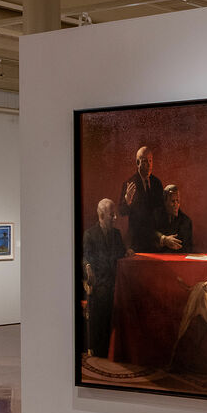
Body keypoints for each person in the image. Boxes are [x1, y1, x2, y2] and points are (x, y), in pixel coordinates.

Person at [81, 197, 126, 359]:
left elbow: (122, 253)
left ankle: (114, 348)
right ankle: (99, 350)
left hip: (115, 283)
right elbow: (85, 257)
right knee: (102, 296)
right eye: (111, 215)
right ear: (101, 216)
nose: (115, 218)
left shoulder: (117, 234)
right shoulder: (90, 235)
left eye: (115, 214)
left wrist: (128, 252)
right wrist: (87, 267)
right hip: (99, 284)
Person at [119, 146, 165, 253]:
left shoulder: (157, 183)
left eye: (150, 161)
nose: (149, 165)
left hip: (154, 241)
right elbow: (121, 211)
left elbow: (161, 210)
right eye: (145, 161)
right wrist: (127, 200)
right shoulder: (130, 183)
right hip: (137, 241)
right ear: (137, 163)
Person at [157, 183, 194, 253]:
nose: (176, 205)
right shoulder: (155, 216)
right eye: (173, 201)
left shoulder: (186, 221)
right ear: (165, 202)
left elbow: (188, 248)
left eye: (178, 201)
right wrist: (164, 240)